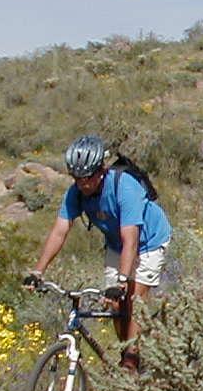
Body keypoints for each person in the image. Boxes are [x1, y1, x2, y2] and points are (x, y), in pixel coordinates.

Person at [24, 134, 171, 371]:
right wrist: (37, 271)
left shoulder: (125, 188)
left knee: (132, 299)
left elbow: (131, 240)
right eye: (77, 178)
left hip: (148, 242)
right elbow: (59, 232)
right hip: (116, 244)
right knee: (114, 306)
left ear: (101, 170)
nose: (83, 184)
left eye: (88, 177)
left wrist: (122, 282)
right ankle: (130, 349)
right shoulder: (76, 193)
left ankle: (131, 362)